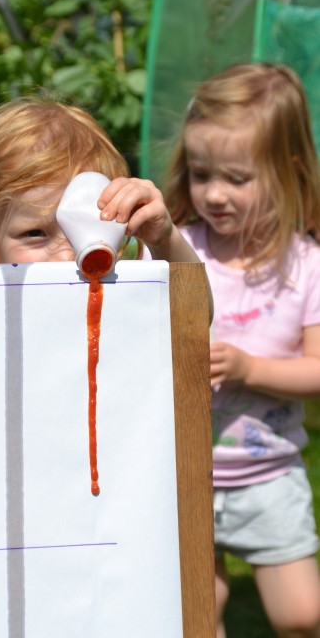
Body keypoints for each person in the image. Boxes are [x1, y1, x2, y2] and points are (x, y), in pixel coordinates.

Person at [165, 62, 320, 638]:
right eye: (201, 173)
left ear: (288, 171)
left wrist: (251, 368)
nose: (213, 194)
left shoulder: (305, 267)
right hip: (187, 472)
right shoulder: (179, 249)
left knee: (301, 615)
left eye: (236, 177)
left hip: (267, 474)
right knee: (197, 618)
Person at [0, 97, 213, 320]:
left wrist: (167, 240)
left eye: (86, 232)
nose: (66, 257)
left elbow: (195, 317)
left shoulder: (121, 290)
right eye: (35, 233)